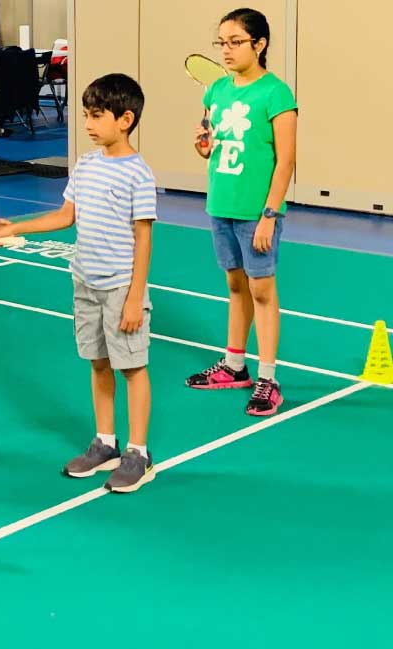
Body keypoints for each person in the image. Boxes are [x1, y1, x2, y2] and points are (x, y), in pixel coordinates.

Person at [0, 74, 157, 493]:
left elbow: (143, 238)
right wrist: (16, 228)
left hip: (121, 287)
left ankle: (139, 452)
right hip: (84, 281)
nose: (87, 123)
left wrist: (135, 297)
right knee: (98, 363)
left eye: (96, 115)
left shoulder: (138, 174)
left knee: (132, 368)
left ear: (125, 119)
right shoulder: (85, 165)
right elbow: (65, 217)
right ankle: (106, 443)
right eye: (85, 114)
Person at [184, 7, 297, 416]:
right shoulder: (216, 91)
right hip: (221, 202)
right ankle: (234, 366)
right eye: (222, 43)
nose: (226, 50)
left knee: (262, 290)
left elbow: (285, 161)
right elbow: (212, 145)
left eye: (235, 42)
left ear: (260, 44)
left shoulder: (276, 93)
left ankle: (268, 378)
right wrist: (203, 147)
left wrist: (270, 213)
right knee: (235, 287)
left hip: (257, 210)